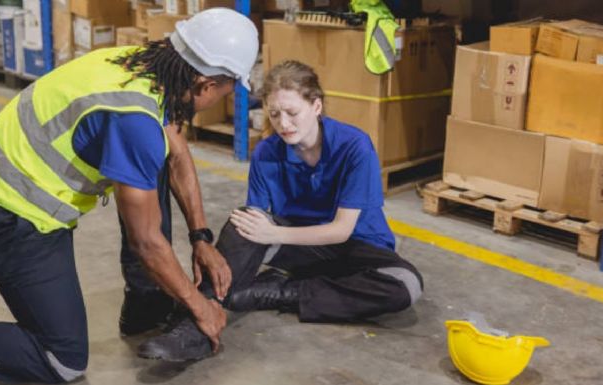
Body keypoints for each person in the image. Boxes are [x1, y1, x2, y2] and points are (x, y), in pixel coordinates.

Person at [0, 8, 257, 383]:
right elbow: (147, 243)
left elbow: (175, 153)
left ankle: (146, 302)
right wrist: (200, 307)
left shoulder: (140, 65)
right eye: (228, 89)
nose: (226, 97)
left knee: (150, 160)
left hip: (12, 195)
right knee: (61, 362)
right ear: (206, 83)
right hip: (2, 216)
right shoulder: (134, 121)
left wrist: (200, 237)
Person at [137, 60, 423, 359]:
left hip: (357, 249)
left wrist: (273, 232)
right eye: (274, 114)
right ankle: (194, 325)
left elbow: (341, 230)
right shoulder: (267, 152)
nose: (284, 124)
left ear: (316, 106)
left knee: (407, 285)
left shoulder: (354, 147)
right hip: (301, 249)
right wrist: (257, 233)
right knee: (242, 224)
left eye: (292, 113)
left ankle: (277, 292)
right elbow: (254, 223)